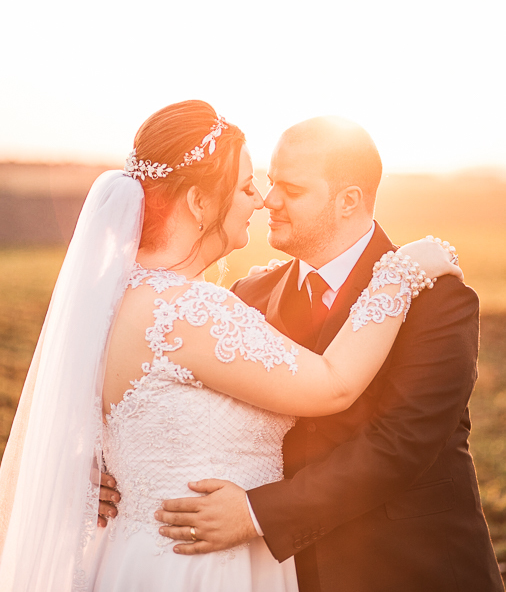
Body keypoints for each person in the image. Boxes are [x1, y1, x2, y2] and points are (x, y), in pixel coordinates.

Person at [0, 102, 459, 592]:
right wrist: (401, 272)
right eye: (247, 186)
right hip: (199, 567)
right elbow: (333, 385)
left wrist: (92, 468)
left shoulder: (114, 299)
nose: (261, 200)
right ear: (199, 203)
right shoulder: (194, 311)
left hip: (137, 558)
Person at [155, 116, 503, 592]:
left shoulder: (436, 299)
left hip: (417, 567)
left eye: (292, 190)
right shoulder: (248, 296)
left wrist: (257, 514)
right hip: (289, 573)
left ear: (349, 201)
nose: (269, 200)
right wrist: (114, 467)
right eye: (271, 182)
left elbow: (400, 443)